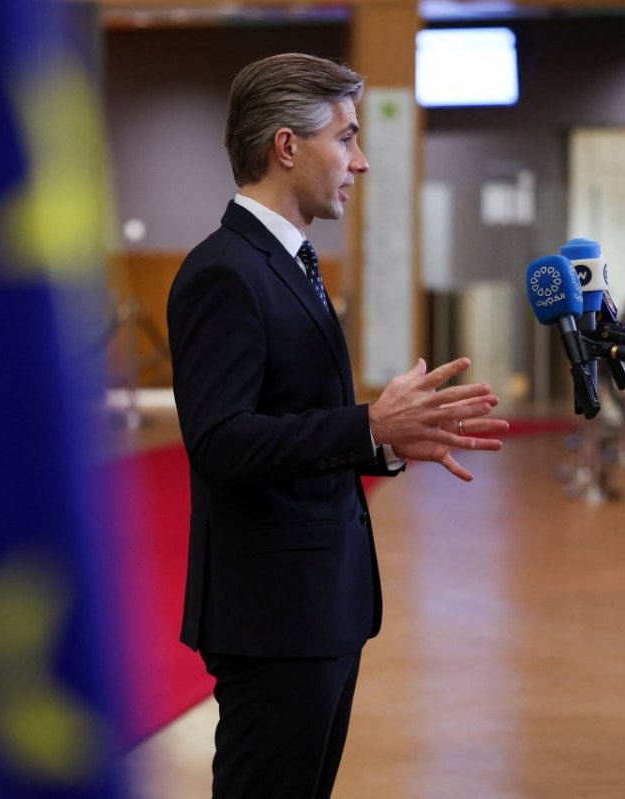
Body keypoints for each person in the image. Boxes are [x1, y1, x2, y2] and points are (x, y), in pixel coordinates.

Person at [166, 52, 509, 798]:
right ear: (287, 147)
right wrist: (367, 424)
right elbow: (220, 441)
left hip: (317, 603)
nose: (361, 161)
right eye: (346, 137)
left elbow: (296, 416)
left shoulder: (290, 260)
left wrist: (384, 439)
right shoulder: (224, 270)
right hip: (272, 614)